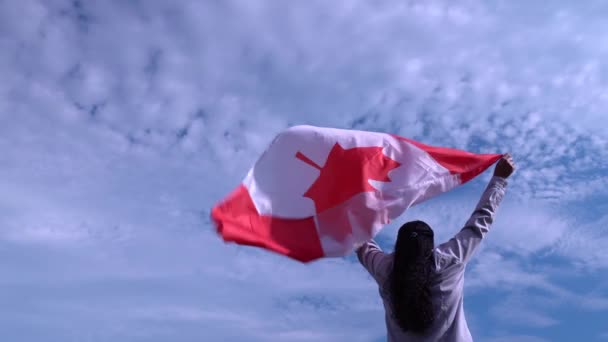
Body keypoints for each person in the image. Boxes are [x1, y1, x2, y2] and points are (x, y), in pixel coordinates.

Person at [356, 154, 516, 341]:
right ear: (430, 245)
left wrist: (344, 204)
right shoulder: (449, 260)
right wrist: (499, 180)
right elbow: (480, 222)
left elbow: (360, 241)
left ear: (399, 245)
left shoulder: (386, 269)